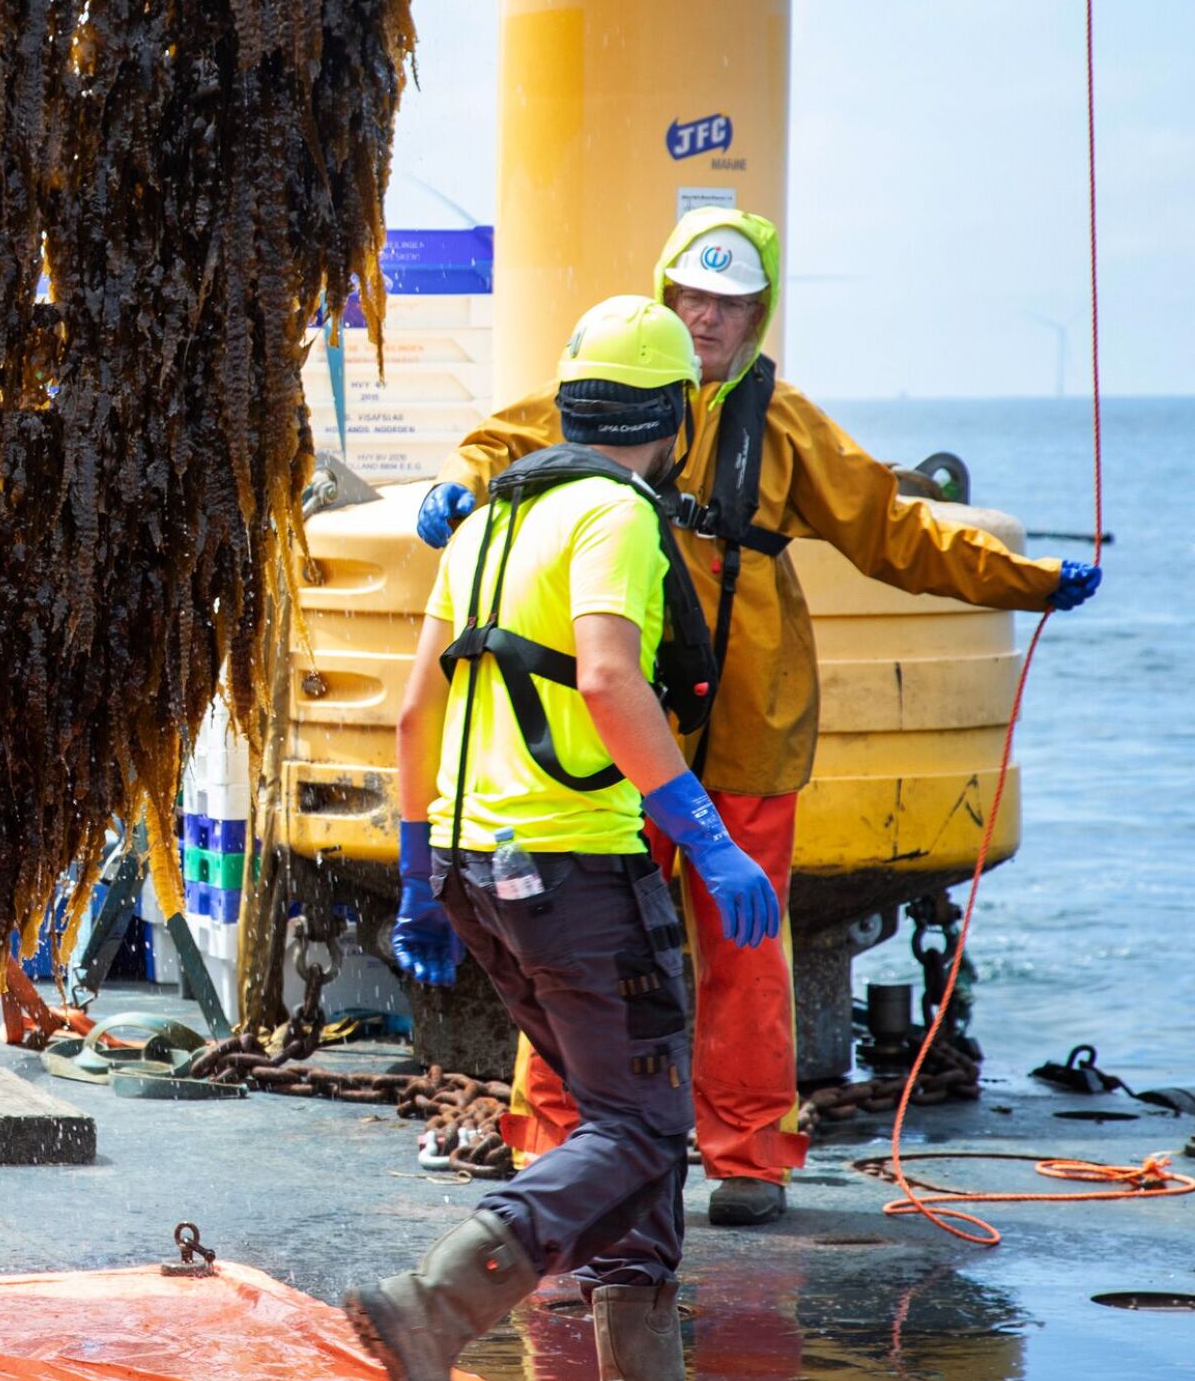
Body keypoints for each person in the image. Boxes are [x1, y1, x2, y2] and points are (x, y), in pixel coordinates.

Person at [412, 209, 1101, 1226]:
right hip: (620, 741)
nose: (705, 319)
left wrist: (1027, 580)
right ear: (663, 294)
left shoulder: (791, 430)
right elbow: (496, 446)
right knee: (584, 952)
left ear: (758, 313)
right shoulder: (610, 388)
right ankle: (553, 1146)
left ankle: (748, 1156)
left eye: (729, 303)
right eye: (690, 296)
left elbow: (896, 532)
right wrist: (452, 486)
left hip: (748, 730)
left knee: (746, 955)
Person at [350, 296, 773, 1381]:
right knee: (644, 1119)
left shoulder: (489, 519)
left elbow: (416, 707)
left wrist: (421, 878)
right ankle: (433, 1304)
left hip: (483, 871)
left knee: (613, 1121)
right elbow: (605, 678)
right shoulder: (614, 516)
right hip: (576, 867)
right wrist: (704, 833)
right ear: (677, 416)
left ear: (569, 402)